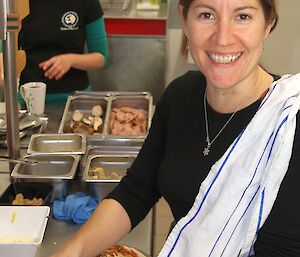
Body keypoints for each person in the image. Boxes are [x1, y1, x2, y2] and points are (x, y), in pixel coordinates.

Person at [50, 0, 300, 256]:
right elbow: (137, 190)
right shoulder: (181, 96)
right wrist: (74, 251)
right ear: (185, 19)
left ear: (267, 24)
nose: (223, 38)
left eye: (243, 16)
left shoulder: (288, 122)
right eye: (206, 14)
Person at [17, 0, 108, 104]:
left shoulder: (86, 3)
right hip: (28, 97)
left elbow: (101, 58)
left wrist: (71, 60)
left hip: (75, 98)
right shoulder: (16, 4)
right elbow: (4, 52)